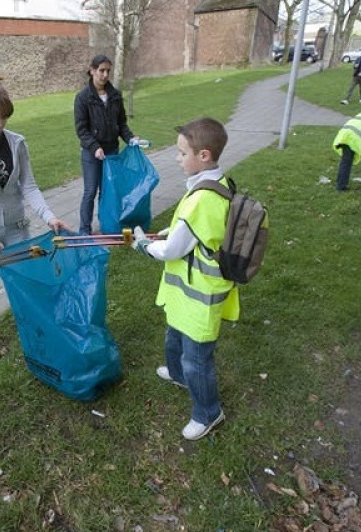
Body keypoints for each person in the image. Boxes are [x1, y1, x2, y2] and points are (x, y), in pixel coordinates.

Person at [131, 117, 238, 441]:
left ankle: (208, 413)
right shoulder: (210, 184)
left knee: (197, 359)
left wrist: (146, 245)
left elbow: (174, 249)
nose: (177, 159)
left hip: (201, 297)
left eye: (181, 153)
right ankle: (178, 375)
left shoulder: (203, 198)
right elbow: (188, 230)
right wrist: (168, 232)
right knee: (173, 337)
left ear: (203, 155)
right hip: (187, 294)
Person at [0, 71, 70, 343]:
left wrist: (49, 217)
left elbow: (28, 186)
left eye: (4, 117)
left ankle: (32, 318)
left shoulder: (17, 143)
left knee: (24, 276)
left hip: (17, 225)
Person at [74, 54, 139, 235]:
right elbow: (81, 130)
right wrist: (95, 147)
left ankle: (107, 225)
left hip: (111, 150)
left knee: (108, 191)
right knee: (90, 191)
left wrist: (131, 139)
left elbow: (122, 124)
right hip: (91, 152)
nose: (104, 75)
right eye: (101, 70)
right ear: (92, 70)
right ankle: (84, 230)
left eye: (107, 71)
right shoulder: (82, 98)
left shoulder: (115, 96)